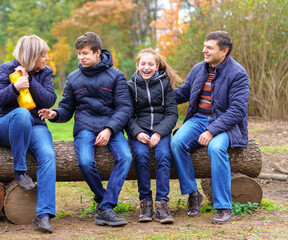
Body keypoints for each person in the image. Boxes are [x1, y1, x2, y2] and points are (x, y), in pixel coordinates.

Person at [38, 32, 132, 227]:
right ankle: (103, 202)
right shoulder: (73, 78)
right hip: (85, 128)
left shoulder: (116, 76)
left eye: (85, 53)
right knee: (85, 161)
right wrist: (55, 114)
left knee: (126, 157)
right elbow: (66, 108)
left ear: (98, 52)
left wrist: (109, 129)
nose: (81, 57)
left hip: (111, 127)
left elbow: (124, 108)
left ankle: (106, 208)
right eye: (79, 54)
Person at [171, 31, 250, 224]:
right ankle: (193, 194)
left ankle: (224, 207)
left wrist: (211, 131)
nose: (204, 50)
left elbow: (237, 111)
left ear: (224, 51)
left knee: (215, 148)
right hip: (198, 119)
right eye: (204, 46)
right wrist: (154, 98)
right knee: (176, 143)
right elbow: (183, 93)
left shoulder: (238, 74)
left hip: (225, 124)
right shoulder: (199, 69)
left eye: (209, 47)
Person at [0, 35, 57, 233]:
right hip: (5, 125)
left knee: (48, 156)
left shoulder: (45, 73)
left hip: (36, 126)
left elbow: (49, 99)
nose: (47, 59)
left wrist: (29, 81)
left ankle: (44, 215)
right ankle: (20, 170)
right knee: (22, 113)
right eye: (43, 55)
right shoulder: (6, 69)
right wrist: (14, 88)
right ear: (32, 55)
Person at [125, 49, 179, 224]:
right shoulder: (130, 85)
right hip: (139, 131)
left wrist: (158, 133)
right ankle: (145, 203)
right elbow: (127, 114)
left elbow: (172, 114)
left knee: (163, 156)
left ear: (157, 66)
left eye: (150, 64)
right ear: (137, 65)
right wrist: (137, 132)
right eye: (143, 64)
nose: (146, 68)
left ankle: (162, 204)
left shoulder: (165, 85)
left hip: (160, 130)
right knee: (140, 156)